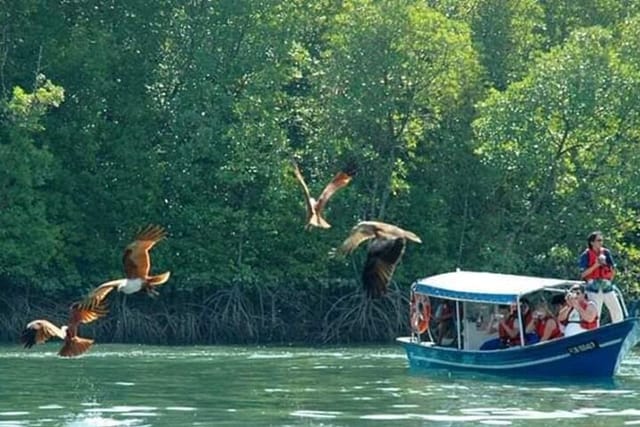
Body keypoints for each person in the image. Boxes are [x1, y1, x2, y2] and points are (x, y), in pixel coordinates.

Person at [578, 231, 623, 325]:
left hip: (606, 285)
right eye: (598, 240)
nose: (601, 243)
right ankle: (596, 333)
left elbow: (612, 268)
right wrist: (596, 265)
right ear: (592, 242)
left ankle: (618, 328)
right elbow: (583, 274)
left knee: (616, 310)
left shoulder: (606, 253)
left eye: (602, 240)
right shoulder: (585, 255)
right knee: (596, 313)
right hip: (593, 287)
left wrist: (609, 279)